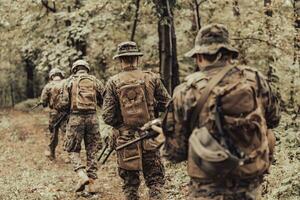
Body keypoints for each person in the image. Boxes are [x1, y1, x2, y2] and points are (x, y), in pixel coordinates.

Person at [162, 23, 281, 199]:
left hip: (206, 189)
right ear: (229, 54)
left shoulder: (185, 91)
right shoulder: (256, 79)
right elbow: (274, 120)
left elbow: (176, 153)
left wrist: (163, 136)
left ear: (200, 56)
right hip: (248, 186)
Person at [102, 41, 171, 200]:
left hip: (126, 140)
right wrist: (155, 116)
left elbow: (107, 116)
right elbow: (169, 104)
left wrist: (121, 125)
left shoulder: (113, 82)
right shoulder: (151, 77)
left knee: (130, 185)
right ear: (137, 59)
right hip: (150, 137)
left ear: (120, 60)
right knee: (155, 181)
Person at [63, 59, 104, 194]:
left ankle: (81, 175)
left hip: (75, 118)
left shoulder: (69, 82)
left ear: (74, 69)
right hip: (93, 118)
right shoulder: (95, 81)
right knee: (92, 150)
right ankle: (91, 185)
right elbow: (104, 101)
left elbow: (62, 104)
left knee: (71, 149)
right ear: (87, 69)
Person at [40, 67, 67, 160]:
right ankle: (67, 156)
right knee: (66, 133)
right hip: (66, 113)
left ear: (51, 76)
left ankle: (52, 153)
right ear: (61, 75)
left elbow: (43, 102)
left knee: (53, 134)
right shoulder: (67, 83)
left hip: (54, 113)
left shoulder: (48, 86)